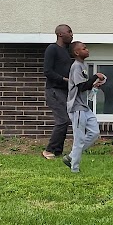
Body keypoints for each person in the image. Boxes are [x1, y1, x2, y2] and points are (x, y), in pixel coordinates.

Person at [63, 41, 105, 173]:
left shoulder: (82, 65)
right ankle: (74, 169)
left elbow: (83, 86)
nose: (87, 50)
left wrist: (93, 85)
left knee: (94, 133)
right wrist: (95, 77)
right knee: (79, 139)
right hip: (76, 107)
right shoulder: (76, 66)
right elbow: (81, 86)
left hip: (84, 107)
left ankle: (71, 156)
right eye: (84, 48)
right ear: (77, 52)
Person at [42, 24, 74, 160]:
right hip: (54, 90)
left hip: (63, 91)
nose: (72, 34)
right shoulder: (52, 49)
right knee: (63, 120)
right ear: (60, 34)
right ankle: (49, 150)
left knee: (65, 121)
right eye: (69, 32)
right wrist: (64, 80)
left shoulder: (66, 51)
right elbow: (47, 71)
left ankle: (57, 151)